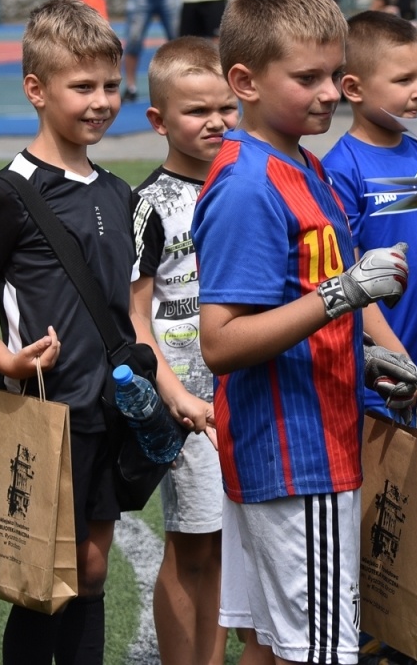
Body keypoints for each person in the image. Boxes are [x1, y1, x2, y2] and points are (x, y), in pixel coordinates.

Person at [194, 0, 417, 665]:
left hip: (307, 439)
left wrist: (359, 352)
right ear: (245, 80)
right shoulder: (249, 183)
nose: (329, 91)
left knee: (268, 645)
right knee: (321, 652)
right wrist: (345, 295)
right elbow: (222, 341)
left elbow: (288, 303)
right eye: (308, 77)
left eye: (336, 73)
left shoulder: (299, 163)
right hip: (299, 458)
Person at [0, 0, 133, 665]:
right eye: (82, 87)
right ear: (36, 89)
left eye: (111, 85)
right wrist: (8, 360)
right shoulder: (11, 192)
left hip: (108, 412)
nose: (102, 101)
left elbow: (128, 307)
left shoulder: (116, 190)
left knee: (93, 568)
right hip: (44, 414)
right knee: (38, 583)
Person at [129, 37, 238, 665]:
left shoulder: (245, 182)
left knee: (227, 545)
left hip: (245, 392)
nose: (216, 122)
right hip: (189, 404)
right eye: (197, 111)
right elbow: (136, 313)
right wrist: (174, 392)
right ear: (159, 120)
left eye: (226, 107)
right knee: (192, 543)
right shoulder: (149, 204)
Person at [324, 13, 417, 424]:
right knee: (383, 489)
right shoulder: (341, 169)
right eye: (403, 80)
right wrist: (399, 363)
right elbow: (349, 282)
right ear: (352, 88)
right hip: (380, 382)